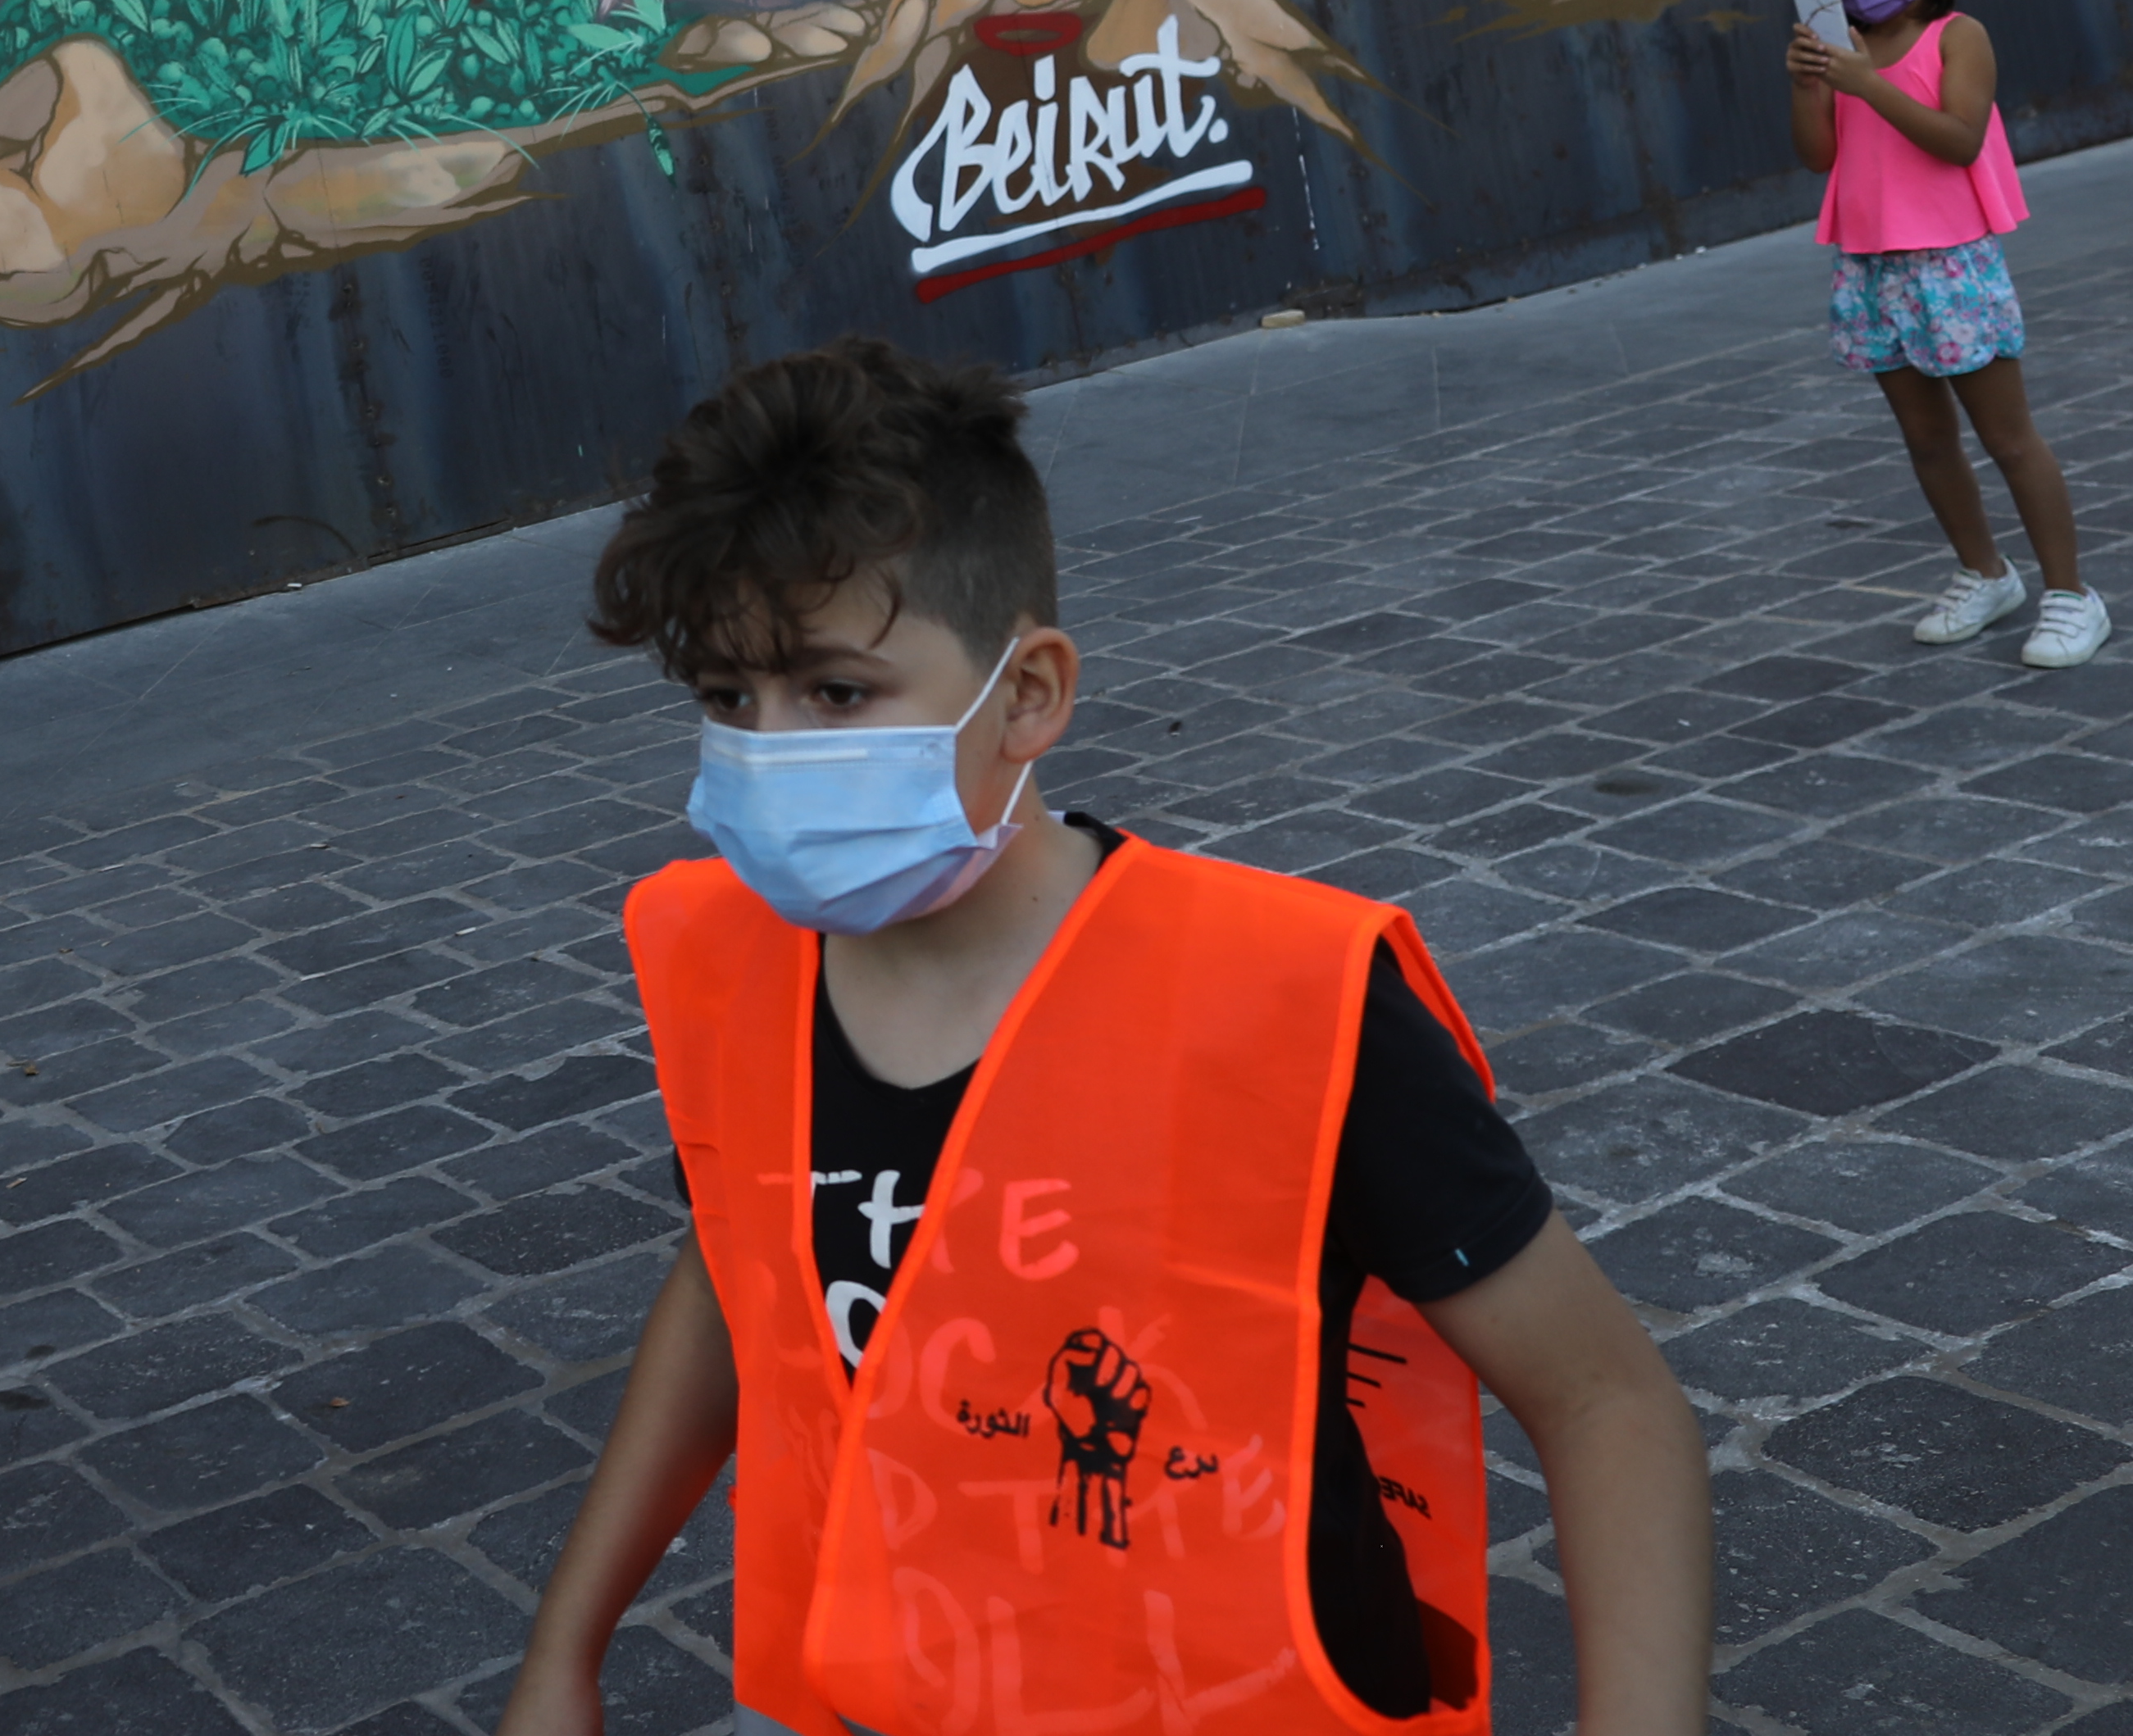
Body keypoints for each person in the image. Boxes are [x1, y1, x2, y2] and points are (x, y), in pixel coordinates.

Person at [495, 339, 1712, 1736]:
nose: (770, 752)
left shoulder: (1288, 997)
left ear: (1027, 694)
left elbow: (1608, 1402)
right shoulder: (728, 962)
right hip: (880, 1687)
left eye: (836, 693)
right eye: (726, 700)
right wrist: (564, 1651)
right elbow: (738, 1268)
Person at [1793, 0, 2107, 666]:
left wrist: (1867, 84)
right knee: (1927, 440)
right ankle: (1984, 573)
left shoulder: (1957, 37)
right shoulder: (1839, 49)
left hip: (1952, 263)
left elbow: (1960, 139)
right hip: (1871, 263)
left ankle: (2072, 595)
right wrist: (1809, 85)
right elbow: (1818, 155)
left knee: (2008, 437)